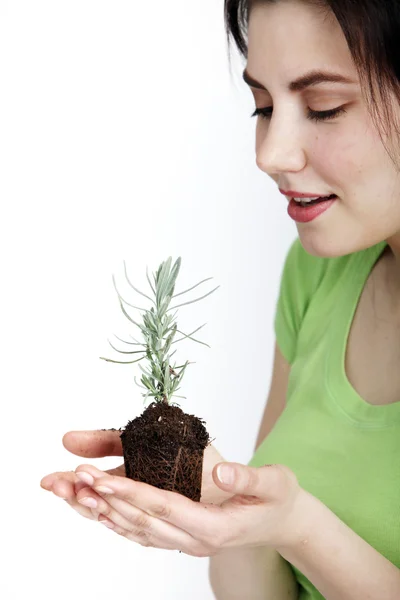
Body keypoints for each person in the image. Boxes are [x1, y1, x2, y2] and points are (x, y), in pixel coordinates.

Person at [40, 0, 400, 598]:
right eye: (263, 105)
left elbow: (291, 524)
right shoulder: (318, 274)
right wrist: (232, 516)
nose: (270, 154)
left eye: (323, 107)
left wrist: (299, 526)